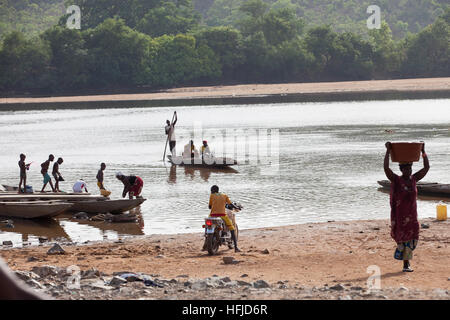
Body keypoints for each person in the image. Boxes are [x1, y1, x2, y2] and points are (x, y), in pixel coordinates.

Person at [384, 142, 429, 272]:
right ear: (401, 170)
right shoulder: (396, 180)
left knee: (413, 238)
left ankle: (403, 255)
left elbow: (426, 168)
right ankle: (406, 264)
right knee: (403, 239)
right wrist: (388, 151)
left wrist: (423, 152)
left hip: (412, 215)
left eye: (409, 169)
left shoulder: (414, 179)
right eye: (405, 169)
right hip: (400, 216)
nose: (408, 171)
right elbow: (386, 169)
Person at [206, 185, 240, 252]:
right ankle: (236, 248)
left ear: (212, 191)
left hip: (212, 215)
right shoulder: (225, 195)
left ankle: (205, 244)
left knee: (207, 226)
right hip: (222, 215)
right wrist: (236, 207)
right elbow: (231, 204)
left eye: (211, 191)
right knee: (232, 228)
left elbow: (209, 207)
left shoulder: (212, 195)